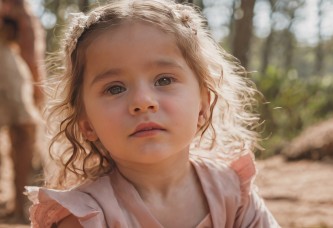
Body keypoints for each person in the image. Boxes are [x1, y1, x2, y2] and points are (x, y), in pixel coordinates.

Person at [26, 0, 280, 227]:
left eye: (164, 80)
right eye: (115, 88)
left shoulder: (233, 191)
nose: (142, 102)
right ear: (87, 123)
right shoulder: (87, 217)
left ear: (203, 104)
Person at [0, 0, 45, 222]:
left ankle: (17, 205)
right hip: (6, 72)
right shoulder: (16, 7)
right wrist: (38, 87)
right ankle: (18, 206)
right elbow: (29, 47)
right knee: (24, 132)